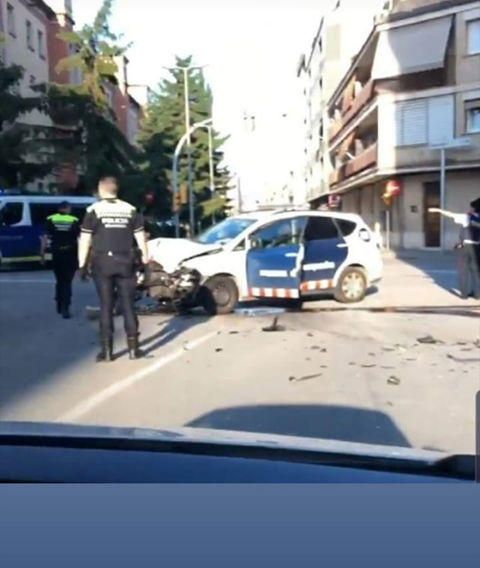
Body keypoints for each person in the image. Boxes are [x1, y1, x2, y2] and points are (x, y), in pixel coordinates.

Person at [78, 177, 149, 362]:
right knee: (128, 306)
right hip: (126, 261)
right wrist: (144, 261)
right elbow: (141, 238)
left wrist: (82, 265)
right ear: (116, 190)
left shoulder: (94, 210)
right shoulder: (130, 209)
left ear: (101, 190)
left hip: (103, 262)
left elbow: (85, 239)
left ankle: (107, 351)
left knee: (106, 306)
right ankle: (134, 349)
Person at [429, 199, 480, 299]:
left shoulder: (467, 217)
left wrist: (437, 210)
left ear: (474, 208)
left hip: (465, 246)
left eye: (471, 207)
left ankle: (464, 294)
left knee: (463, 270)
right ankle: (478, 294)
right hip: (477, 247)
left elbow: (451, 214)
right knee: (476, 271)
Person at [40, 201, 80, 319]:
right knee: (67, 281)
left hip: (56, 253)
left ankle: (58, 301)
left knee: (59, 279)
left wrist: (42, 253)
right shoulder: (74, 220)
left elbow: (45, 237)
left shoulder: (50, 219)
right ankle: (65, 307)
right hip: (70, 253)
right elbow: (79, 238)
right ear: (67, 209)